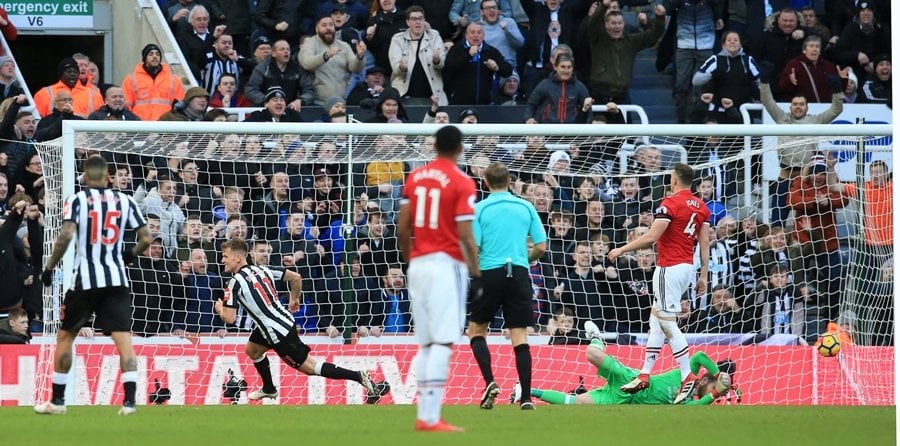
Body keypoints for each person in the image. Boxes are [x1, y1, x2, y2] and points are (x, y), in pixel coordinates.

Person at [35, 155, 152, 415]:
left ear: (86, 177)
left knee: (66, 336)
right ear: (109, 176)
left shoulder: (77, 200)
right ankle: (130, 403)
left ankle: (57, 401)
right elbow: (146, 238)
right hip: (117, 279)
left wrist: (49, 267)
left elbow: (65, 235)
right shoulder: (125, 200)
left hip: (85, 280)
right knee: (123, 339)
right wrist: (129, 256)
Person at [214, 239, 385, 402]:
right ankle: (268, 388)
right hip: (282, 322)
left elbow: (229, 318)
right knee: (252, 350)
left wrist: (220, 309)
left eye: (225, 256)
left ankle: (359, 376)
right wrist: (294, 299)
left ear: (237, 258)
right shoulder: (263, 269)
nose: (222, 260)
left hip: (276, 333)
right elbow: (296, 277)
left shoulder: (234, 283)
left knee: (311, 368)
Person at [397, 125, 478, 432]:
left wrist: (411, 258)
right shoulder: (462, 182)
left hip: (418, 264)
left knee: (426, 343)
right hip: (447, 265)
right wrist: (477, 273)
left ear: (434, 147)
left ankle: (426, 414)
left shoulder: (414, 177)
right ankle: (430, 416)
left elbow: (401, 228)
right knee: (444, 341)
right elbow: (466, 236)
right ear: (459, 149)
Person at [608, 163, 710, 404]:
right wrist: (703, 275)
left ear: (674, 180)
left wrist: (622, 248)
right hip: (687, 268)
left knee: (666, 322)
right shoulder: (701, 206)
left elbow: (652, 237)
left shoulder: (670, 204)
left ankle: (687, 375)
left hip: (669, 269)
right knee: (656, 319)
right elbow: (704, 244)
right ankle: (645, 373)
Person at [468, 162, 547, 410]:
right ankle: (525, 397)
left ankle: (490, 382)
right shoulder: (526, 206)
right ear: (510, 181)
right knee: (519, 336)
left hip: (490, 273)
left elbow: (476, 247)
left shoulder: (479, 209)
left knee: (476, 331)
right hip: (519, 274)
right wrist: (525, 260)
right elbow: (541, 247)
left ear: (486, 183)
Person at [521, 336, 733, 405]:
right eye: (714, 390)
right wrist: (717, 373)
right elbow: (699, 356)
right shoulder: (686, 374)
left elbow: (695, 408)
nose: (713, 396)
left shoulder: (688, 401)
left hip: (621, 399)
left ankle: (525, 391)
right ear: (705, 382)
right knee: (591, 354)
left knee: (573, 403)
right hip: (630, 379)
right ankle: (597, 338)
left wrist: (715, 394)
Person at [121, 43, 186, 121]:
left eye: (157, 54)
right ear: (144, 59)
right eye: (151, 54)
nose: (155, 56)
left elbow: (179, 105)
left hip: (165, 125)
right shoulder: (131, 79)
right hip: (140, 125)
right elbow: (126, 105)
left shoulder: (174, 79)